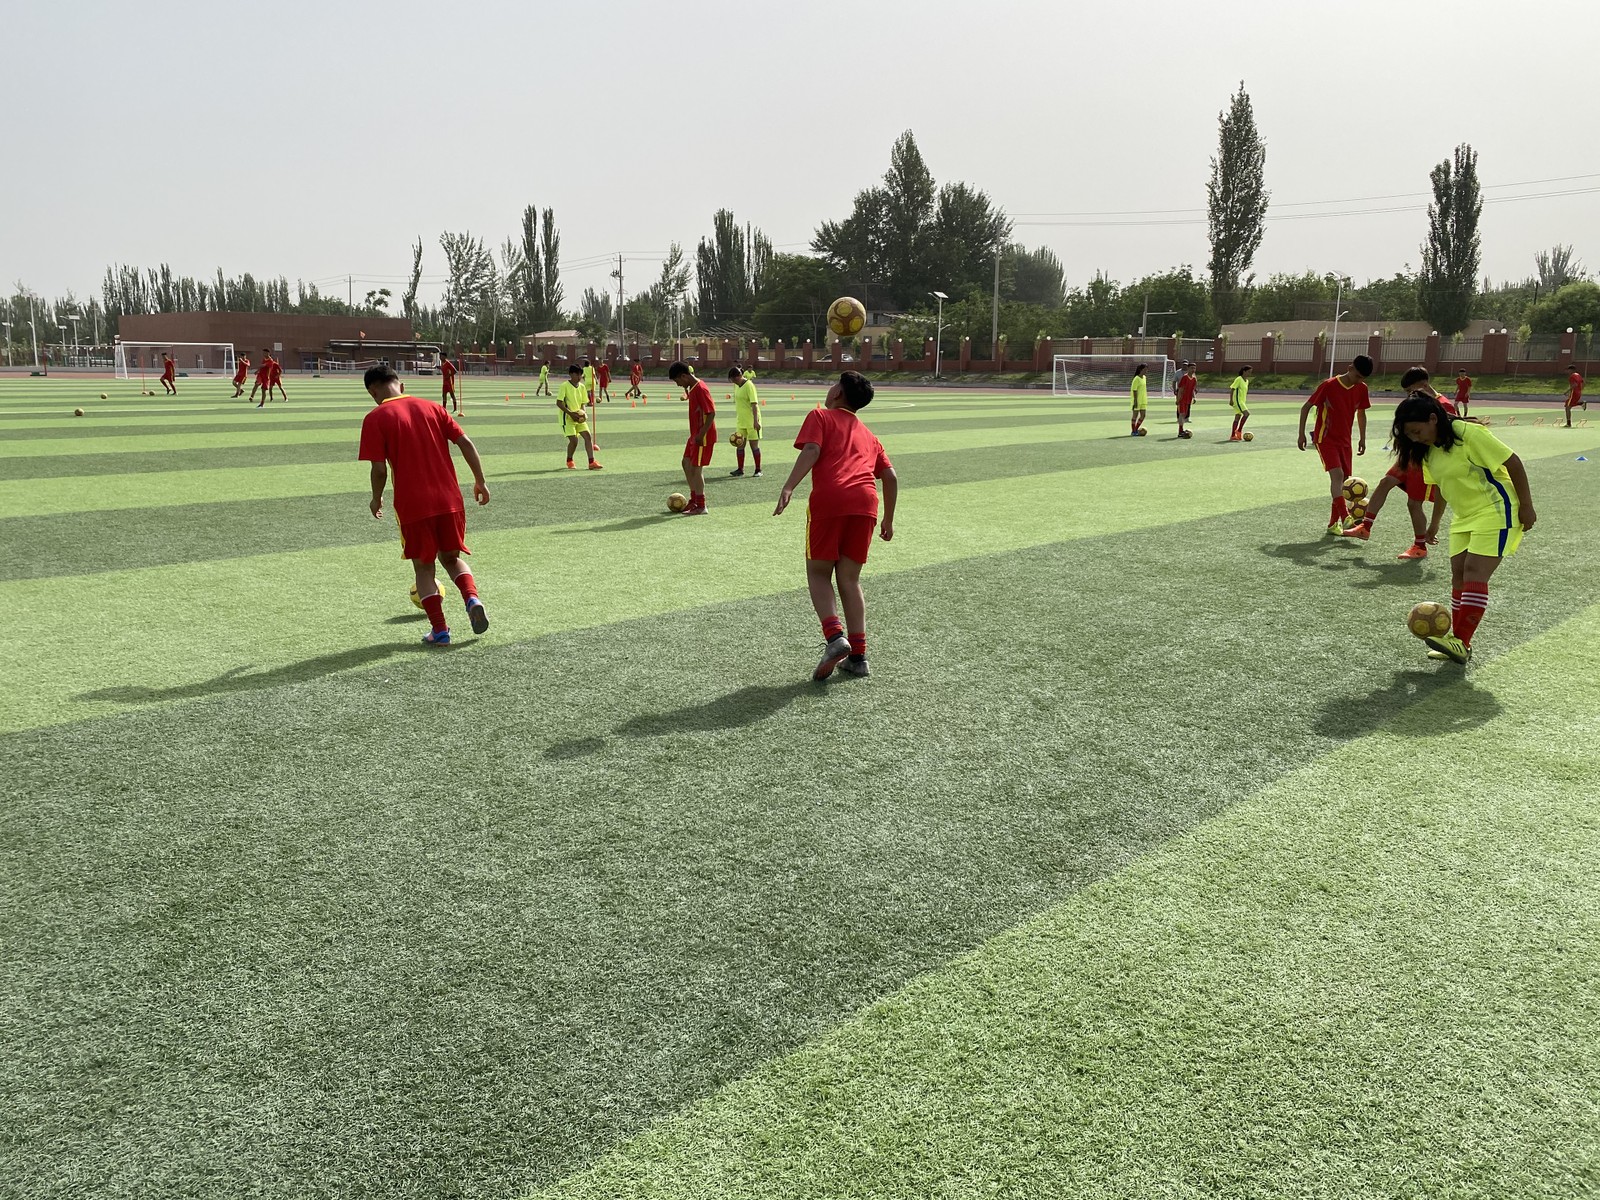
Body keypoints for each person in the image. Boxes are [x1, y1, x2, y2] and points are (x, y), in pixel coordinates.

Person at [1390, 390, 1536, 664]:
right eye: (1408, 434)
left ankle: (1461, 641)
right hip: (1464, 517)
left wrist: (1526, 506)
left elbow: (1513, 462)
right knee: (1458, 574)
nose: (1413, 438)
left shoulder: (1469, 434)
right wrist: (1434, 523)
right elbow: (1443, 488)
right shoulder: (1427, 450)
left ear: (1433, 419)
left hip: (1496, 510)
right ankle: (1458, 643)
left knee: (1473, 572)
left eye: (1416, 431)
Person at [773, 371, 897, 681]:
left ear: (838, 393)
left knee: (818, 572)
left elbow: (812, 450)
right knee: (850, 579)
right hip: (866, 504)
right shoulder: (870, 435)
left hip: (831, 500)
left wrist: (789, 486)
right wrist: (888, 520)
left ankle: (834, 637)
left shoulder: (821, 415)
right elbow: (891, 477)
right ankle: (858, 656)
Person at [358, 364, 491, 646]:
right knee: (452, 559)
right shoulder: (433, 408)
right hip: (450, 499)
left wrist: (376, 496)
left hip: (413, 504)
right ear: (400, 384)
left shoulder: (375, 418)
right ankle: (472, 599)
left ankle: (440, 631)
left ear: (373, 392)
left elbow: (379, 470)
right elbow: (465, 442)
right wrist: (480, 480)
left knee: (424, 568)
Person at [1341, 366, 1453, 557]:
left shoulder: (1444, 406)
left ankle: (1420, 547)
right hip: (1410, 456)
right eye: (1407, 392)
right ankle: (1365, 527)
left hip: (1425, 461)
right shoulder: (1417, 404)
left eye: (1412, 390)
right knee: (1385, 483)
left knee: (1413, 504)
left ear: (1424, 385)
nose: (1410, 395)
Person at [1297, 354, 1373, 534]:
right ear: (1350, 368)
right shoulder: (1329, 385)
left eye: (1362, 378)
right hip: (1326, 439)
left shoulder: (1361, 388)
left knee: (1345, 482)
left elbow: (1361, 413)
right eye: (1357, 376)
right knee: (1337, 475)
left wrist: (1362, 437)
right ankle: (1345, 516)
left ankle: (1333, 524)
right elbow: (1306, 407)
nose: (1359, 381)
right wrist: (1301, 434)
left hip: (1345, 441)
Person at [669, 360, 715, 514]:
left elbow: (711, 413)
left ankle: (701, 505)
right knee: (686, 463)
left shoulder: (701, 388)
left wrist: (701, 435)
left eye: (677, 381)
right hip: (695, 435)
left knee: (696, 469)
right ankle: (694, 500)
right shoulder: (693, 388)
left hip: (703, 435)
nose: (677, 385)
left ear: (684, 376)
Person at [557, 363, 601, 470]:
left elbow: (583, 404)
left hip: (579, 418)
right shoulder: (564, 386)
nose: (580, 377)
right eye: (578, 375)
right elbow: (559, 403)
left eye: (581, 375)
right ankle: (569, 460)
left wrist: (584, 414)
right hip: (567, 418)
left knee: (587, 436)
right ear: (571, 374)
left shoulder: (582, 387)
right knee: (574, 441)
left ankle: (591, 462)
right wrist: (571, 414)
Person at [728, 365, 763, 476]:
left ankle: (758, 470)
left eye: (734, 379)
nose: (733, 382)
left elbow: (754, 404)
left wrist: (756, 421)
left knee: (754, 446)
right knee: (739, 445)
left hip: (752, 421)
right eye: (732, 380)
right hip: (741, 421)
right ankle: (740, 469)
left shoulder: (749, 385)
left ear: (739, 376)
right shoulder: (737, 386)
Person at [1228, 365, 1253, 441]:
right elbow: (1232, 389)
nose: (1250, 373)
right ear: (1244, 371)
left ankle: (1233, 436)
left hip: (1242, 401)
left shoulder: (1247, 381)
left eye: (1251, 372)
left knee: (1237, 417)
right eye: (1248, 372)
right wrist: (1231, 400)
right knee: (1247, 414)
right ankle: (1239, 431)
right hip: (1238, 401)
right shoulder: (1239, 379)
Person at [1174, 363, 1197, 439]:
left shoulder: (1194, 379)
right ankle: (1180, 431)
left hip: (1188, 399)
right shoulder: (1185, 377)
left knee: (1184, 415)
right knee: (1181, 414)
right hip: (1182, 399)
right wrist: (1178, 399)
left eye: (1194, 368)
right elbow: (1180, 389)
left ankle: (1181, 429)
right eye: (1191, 368)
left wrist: (1194, 397)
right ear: (1188, 369)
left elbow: (1193, 389)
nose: (1193, 370)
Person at [1129, 363, 1149, 436]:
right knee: (1135, 415)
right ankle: (1133, 431)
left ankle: (1136, 429)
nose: (1146, 371)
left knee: (1143, 415)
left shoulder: (1144, 377)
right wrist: (1135, 401)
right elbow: (1134, 390)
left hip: (1143, 400)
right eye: (1145, 369)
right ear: (1141, 369)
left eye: (1147, 369)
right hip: (1137, 400)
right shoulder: (1136, 379)